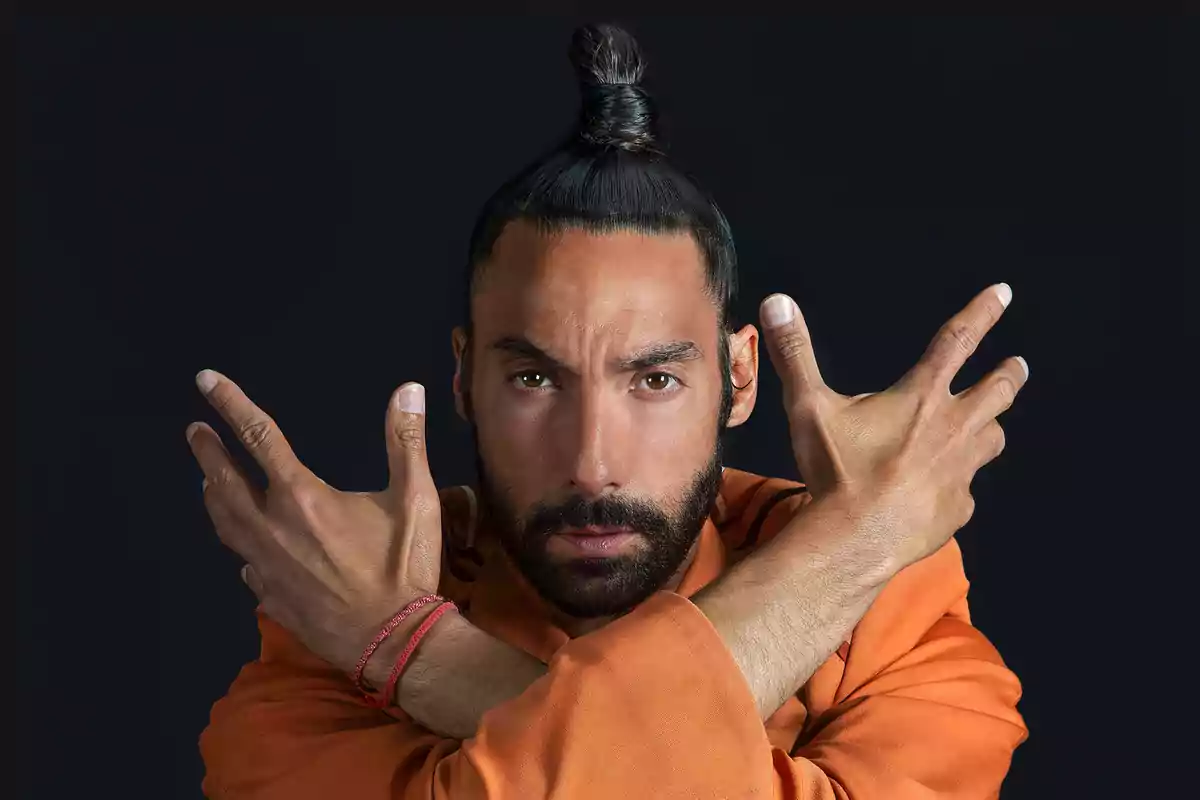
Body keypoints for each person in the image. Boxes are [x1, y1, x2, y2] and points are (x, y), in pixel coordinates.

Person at [189, 23, 1029, 800]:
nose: (592, 462)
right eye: (534, 381)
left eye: (654, 381)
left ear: (740, 378)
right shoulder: (332, 606)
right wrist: (850, 549)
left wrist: (419, 656)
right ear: (463, 379)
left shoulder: (893, 607)